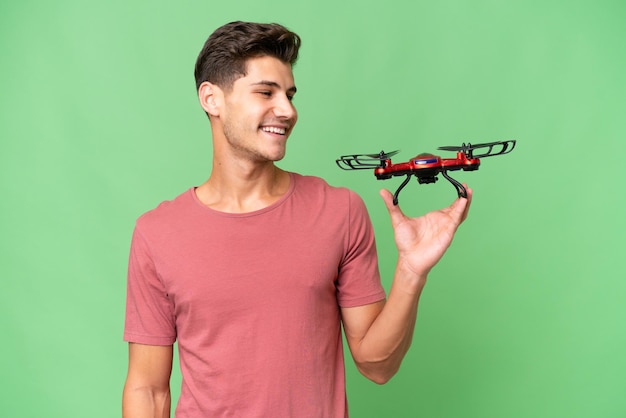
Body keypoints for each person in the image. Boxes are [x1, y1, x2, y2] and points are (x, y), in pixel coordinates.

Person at [122, 21, 472, 418]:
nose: (287, 111)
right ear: (211, 98)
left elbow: (378, 365)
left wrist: (411, 270)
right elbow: (148, 390)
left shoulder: (339, 211)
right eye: (265, 92)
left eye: (289, 95)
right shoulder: (158, 233)